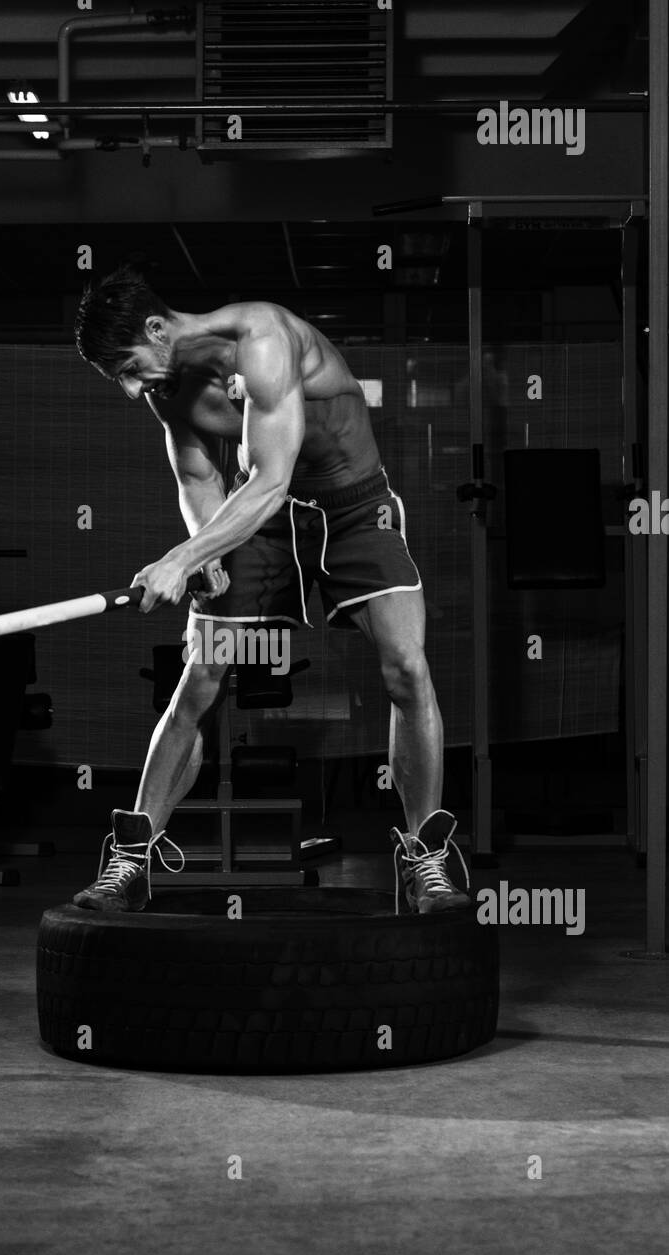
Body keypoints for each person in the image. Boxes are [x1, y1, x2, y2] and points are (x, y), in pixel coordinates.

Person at [71, 265, 470, 915]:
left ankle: (423, 860)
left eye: (127, 365)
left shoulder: (262, 339)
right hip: (255, 525)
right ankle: (131, 862)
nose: (128, 387)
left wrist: (179, 557)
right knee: (199, 682)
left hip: (347, 508)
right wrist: (205, 549)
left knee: (405, 667)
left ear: (156, 328)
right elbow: (198, 475)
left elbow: (270, 480)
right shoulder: (164, 387)